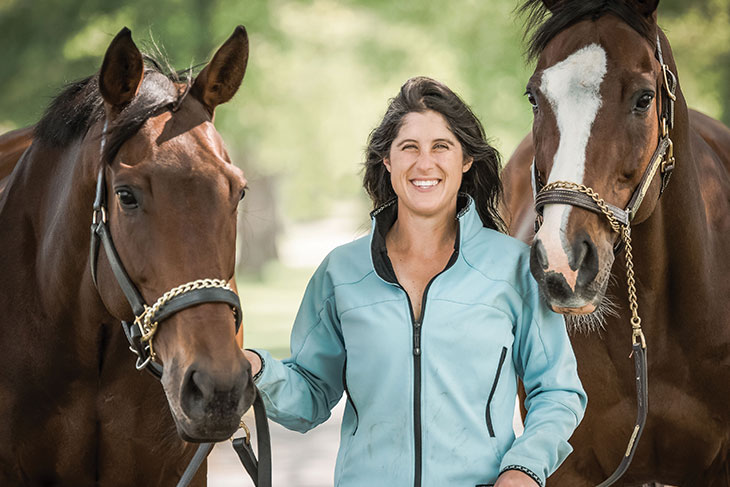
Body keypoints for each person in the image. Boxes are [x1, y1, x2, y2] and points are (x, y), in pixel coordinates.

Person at [244, 76, 586, 487]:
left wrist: (524, 468)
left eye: (441, 146)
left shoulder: (513, 268)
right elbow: (311, 397)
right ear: (387, 161)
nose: (425, 164)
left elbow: (557, 391)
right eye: (409, 148)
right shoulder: (341, 273)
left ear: (465, 161)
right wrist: (259, 369)